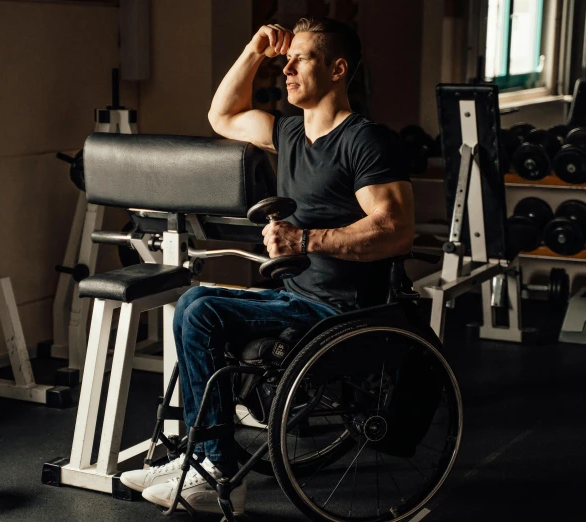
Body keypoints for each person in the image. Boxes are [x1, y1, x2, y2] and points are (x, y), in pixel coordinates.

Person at [121, 17, 415, 514]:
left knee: (200, 309)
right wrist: (255, 48)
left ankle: (217, 471)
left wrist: (303, 238)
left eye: (301, 58)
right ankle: (202, 455)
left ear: (338, 69)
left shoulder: (365, 141)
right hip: (296, 296)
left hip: (339, 312)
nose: (288, 67)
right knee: (195, 300)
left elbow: (396, 228)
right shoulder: (291, 133)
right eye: (287, 57)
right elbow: (222, 114)